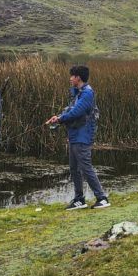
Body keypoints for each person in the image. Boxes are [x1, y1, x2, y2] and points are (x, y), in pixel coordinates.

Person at [45, 65, 110, 210]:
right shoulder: (78, 93)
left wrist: (60, 120)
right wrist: (58, 117)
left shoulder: (87, 93)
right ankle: (79, 200)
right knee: (74, 169)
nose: (70, 79)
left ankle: (102, 198)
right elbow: (71, 110)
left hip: (83, 136)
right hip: (75, 135)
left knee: (86, 168)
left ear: (78, 78)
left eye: (72, 76)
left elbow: (77, 112)